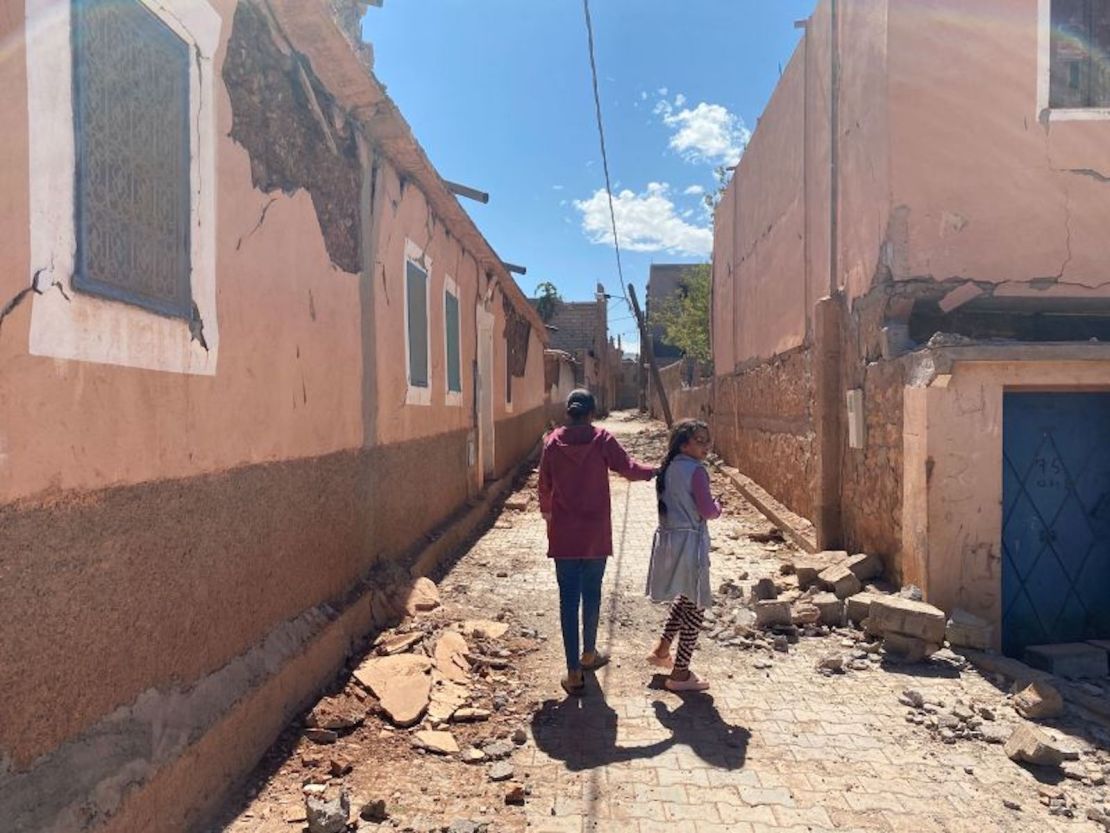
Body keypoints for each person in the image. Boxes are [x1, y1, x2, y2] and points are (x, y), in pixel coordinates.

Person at [538, 389, 656, 695]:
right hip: (595, 534)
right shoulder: (602, 439)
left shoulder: (552, 442)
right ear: (592, 412)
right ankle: (589, 653)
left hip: (564, 535)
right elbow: (628, 469)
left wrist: (549, 518)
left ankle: (573, 672)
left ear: (568, 412)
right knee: (592, 594)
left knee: (568, 601)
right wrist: (654, 471)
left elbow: (544, 488)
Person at [645, 419, 721, 692]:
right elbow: (707, 511)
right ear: (684, 443)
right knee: (696, 603)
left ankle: (662, 650)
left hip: (669, 540)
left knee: (685, 596)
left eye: (707, 440)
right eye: (699, 441)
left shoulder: (668, 468)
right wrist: (718, 506)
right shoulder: (696, 472)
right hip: (690, 542)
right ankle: (680, 673)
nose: (706, 446)